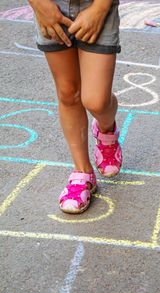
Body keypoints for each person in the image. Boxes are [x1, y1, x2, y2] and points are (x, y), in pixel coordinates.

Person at [28, 0, 122, 214]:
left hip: (96, 6)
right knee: (68, 93)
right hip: (51, 6)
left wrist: (100, 9)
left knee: (96, 100)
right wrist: (39, 4)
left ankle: (106, 129)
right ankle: (83, 173)